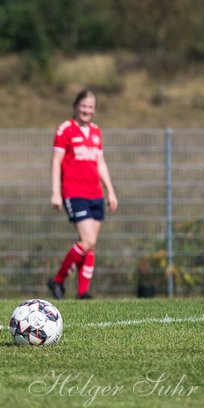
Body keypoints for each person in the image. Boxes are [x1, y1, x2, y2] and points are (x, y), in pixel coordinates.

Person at [47, 89, 118, 300]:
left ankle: (82, 292)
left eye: (91, 107)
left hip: (95, 193)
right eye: (84, 106)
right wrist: (55, 192)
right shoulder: (65, 129)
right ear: (76, 106)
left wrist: (111, 192)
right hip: (74, 192)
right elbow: (56, 162)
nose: (87, 110)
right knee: (87, 241)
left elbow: (100, 164)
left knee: (91, 243)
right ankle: (58, 280)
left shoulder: (96, 132)